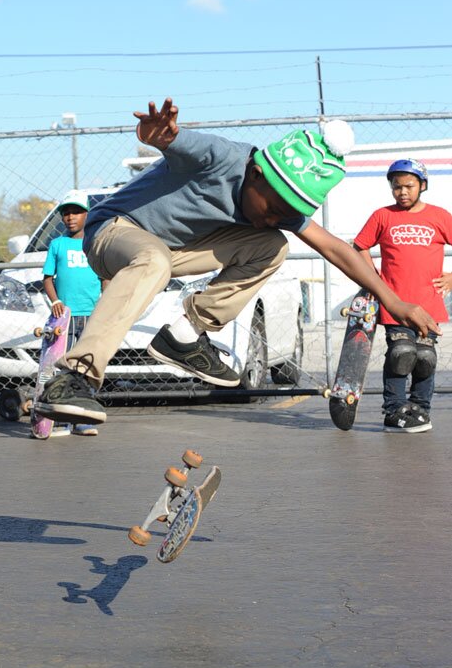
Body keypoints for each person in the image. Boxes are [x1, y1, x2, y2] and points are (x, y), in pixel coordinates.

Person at [39, 98, 440, 426]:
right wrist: (155, 135)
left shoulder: (276, 203)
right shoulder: (220, 156)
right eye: (271, 209)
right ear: (257, 175)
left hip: (172, 251)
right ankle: (74, 377)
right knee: (153, 260)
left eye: (283, 215)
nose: (271, 219)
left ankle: (184, 335)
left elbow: (336, 248)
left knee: (270, 245)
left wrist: (395, 301)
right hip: (114, 231)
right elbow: (170, 140)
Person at [354, 159, 452, 433]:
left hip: (429, 304)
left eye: (409, 186)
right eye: (396, 187)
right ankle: (394, 410)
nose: (402, 192)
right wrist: (372, 277)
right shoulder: (382, 216)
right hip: (395, 304)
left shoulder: (439, 216)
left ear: (422, 185)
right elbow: (360, 245)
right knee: (401, 353)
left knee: (425, 357)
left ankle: (421, 409)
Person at [36, 189, 103, 438]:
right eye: (66, 213)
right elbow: (47, 279)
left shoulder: (95, 243)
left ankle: (82, 419)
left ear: (87, 214)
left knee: (85, 366)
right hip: (65, 319)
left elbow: (105, 278)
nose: (70, 217)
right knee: (61, 366)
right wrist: (56, 301)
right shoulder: (58, 244)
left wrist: (104, 306)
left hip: (91, 315)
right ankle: (61, 418)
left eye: (76, 212)